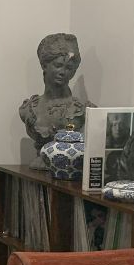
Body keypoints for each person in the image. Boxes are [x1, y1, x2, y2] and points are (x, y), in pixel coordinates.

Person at [18, 33, 95, 169]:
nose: (63, 72)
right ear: (44, 65)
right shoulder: (29, 109)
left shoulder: (81, 109)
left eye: (69, 68)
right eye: (58, 65)